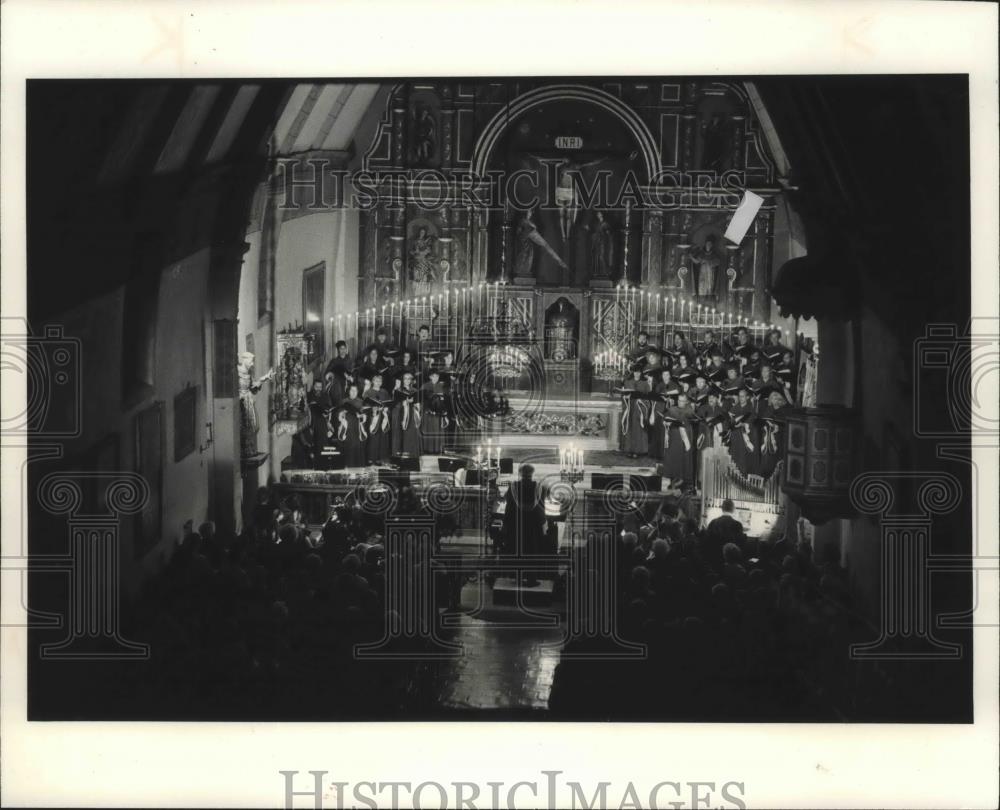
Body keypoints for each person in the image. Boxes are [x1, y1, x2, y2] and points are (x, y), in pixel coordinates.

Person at [501, 464, 551, 585]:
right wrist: (544, 522)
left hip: (516, 523)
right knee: (532, 550)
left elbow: (509, 506)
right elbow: (542, 505)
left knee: (517, 549)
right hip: (533, 524)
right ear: (532, 473)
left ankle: (517, 577)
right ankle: (532, 579)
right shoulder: (539, 487)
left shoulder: (513, 486)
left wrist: (505, 524)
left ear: (520, 473)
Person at [662, 392, 696, 488]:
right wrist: (666, 423)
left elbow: (692, 419)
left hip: (685, 436)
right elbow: (665, 419)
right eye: (679, 400)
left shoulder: (689, 410)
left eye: (683, 401)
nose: (681, 403)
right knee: (674, 457)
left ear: (686, 402)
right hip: (674, 436)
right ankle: (674, 478)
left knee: (684, 456)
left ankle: (683, 479)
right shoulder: (672, 409)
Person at [619, 363, 651, 458]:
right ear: (633, 373)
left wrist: (642, 401)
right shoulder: (628, 382)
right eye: (635, 372)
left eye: (639, 372)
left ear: (641, 373)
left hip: (639, 409)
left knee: (638, 429)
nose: (637, 374)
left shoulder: (645, 384)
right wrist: (626, 397)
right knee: (629, 428)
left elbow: (648, 397)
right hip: (630, 407)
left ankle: (638, 450)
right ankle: (629, 449)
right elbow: (623, 395)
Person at [335, 383, 367, 467]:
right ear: (349, 391)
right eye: (351, 390)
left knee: (357, 448)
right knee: (348, 447)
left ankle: (358, 467)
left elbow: (364, 415)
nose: (353, 392)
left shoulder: (361, 402)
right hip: (347, 427)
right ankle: (348, 466)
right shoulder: (344, 401)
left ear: (357, 392)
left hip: (357, 427)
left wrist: (361, 416)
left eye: (355, 390)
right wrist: (342, 413)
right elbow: (338, 413)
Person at [363, 373, 392, 465]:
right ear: (372, 381)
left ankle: (381, 458)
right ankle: (371, 458)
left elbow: (389, 403)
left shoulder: (384, 392)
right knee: (373, 438)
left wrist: (387, 409)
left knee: (382, 437)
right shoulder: (368, 392)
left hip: (383, 417)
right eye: (376, 380)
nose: (378, 382)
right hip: (373, 418)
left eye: (380, 381)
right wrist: (373, 409)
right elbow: (365, 406)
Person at [391, 370, 421, 457]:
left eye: (409, 379)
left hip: (411, 414)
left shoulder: (415, 390)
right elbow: (394, 404)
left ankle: (411, 454)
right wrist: (404, 402)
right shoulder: (398, 390)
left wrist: (415, 403)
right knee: (401, 434)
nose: (407, 380)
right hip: (401, 415)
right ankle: (400, 454)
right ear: (402, 380)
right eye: (405, 379)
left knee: (410, 433)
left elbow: (418, 403)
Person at [727, 387, 756, 475]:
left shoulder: (751, 408)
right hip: (735, 435)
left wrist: (744, 424)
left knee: (742, 456)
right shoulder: (735, 407)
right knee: (734, 454)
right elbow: (730, 420)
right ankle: (733, 474)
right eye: (739, 396)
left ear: (747, 397)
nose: (741, 398)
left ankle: (742, 475)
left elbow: (753, 421)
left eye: (743, 396)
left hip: (744, 436)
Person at [419, 368, 449, 454]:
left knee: (437, 430)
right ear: (430, 377)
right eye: (433, 376)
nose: (435, 378)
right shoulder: (425, 386)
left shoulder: (442, 387)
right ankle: (427, 450)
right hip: (428, 413)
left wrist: (444, 413)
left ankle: (437, 449)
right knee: (428, 430)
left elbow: (445, 401)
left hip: (438, 414)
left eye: (437, 376)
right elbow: (421, 400)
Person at [306, 379, 332, 465]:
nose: (318, 389)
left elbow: (329, 408)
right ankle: (313, 463)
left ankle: (323, 461)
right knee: (312, 441)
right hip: (311, 421)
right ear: (313, 386)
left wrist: (326, 413)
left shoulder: (325, 396)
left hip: (322, 421)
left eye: (320, 387)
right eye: (317, 387)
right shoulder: (309, 395)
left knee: (322, 441)